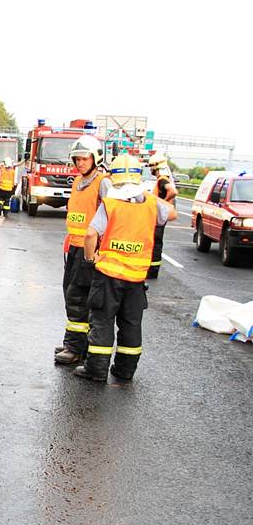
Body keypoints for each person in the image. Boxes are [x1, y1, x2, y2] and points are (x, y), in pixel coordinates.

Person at [73, 155, 177, 382]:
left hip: (109, 276)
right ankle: (125, 370)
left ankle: (96, 370)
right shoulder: (150, 204)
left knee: (102, 321)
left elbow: (91, 234)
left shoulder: (111, 204)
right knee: (131, 324)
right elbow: (172, 212)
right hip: (137, 279)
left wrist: (91, 259)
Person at [54, 135, 111, 365]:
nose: (79, 163)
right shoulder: (78, 181)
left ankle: (76, 347)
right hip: (75, 248)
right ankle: (77, 341)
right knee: (70, 291)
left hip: (90, 247)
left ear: (95, 158)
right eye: (76, 159)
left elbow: (111, 215)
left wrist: (98, 250)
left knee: (78, 297)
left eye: (84, 159)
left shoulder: (102, 183)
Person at [146, 153, 178, 279]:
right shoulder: (165, 179)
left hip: (159, 217)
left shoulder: (162, 180)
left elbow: (173, 191)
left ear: (155, 167)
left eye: (151, 167)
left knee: (155, 243)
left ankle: (153, 270)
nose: (151, 170)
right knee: (156, 242)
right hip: (161, 216)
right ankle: (153, 269)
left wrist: (163, 200)